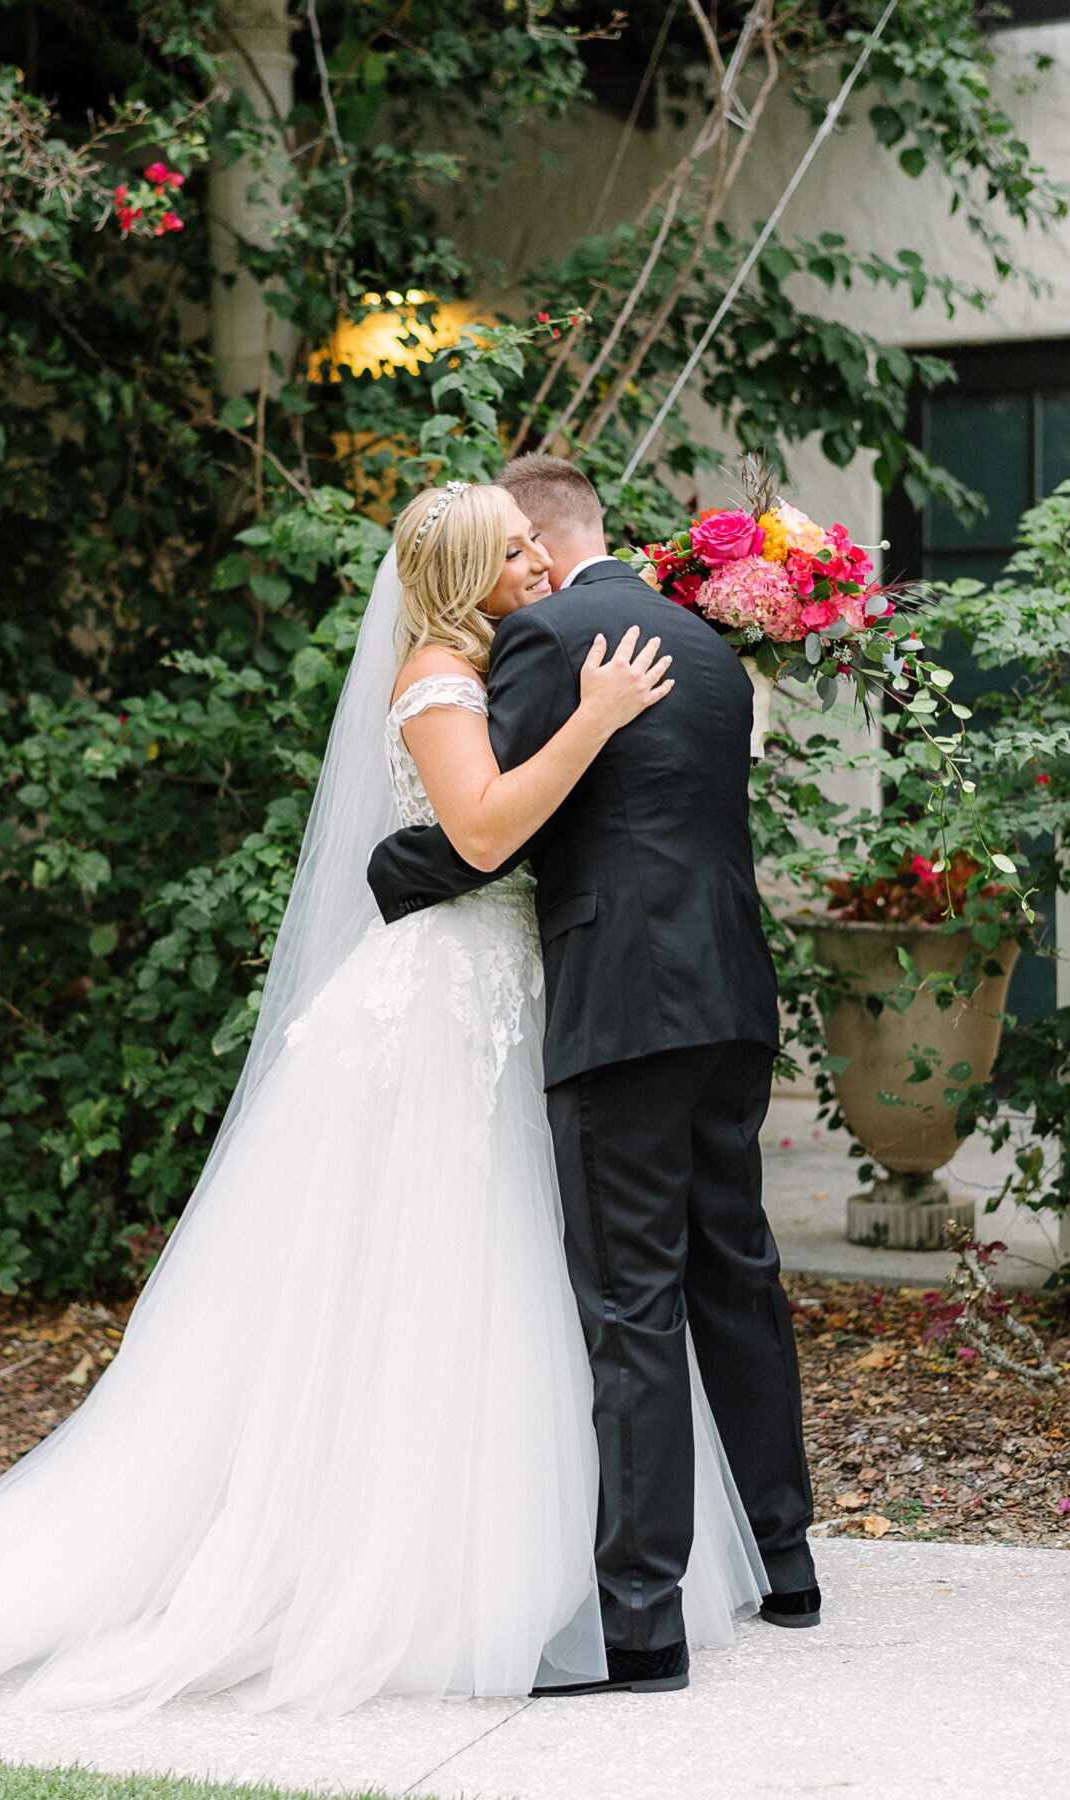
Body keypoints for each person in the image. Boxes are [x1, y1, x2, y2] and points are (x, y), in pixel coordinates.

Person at [0, 480, 764, 1716]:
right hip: (440, 1001)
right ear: (465, 570)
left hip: (516, 990)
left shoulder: (498, 665)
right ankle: (407, 1580)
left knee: (518, 1277)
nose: (544, 562)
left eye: (540, 544)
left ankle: (528, 1566)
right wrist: (593, 721)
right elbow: (482, 835)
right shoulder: (436, 675)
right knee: (440, 1272)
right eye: (518, 549)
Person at [368, 454, 819, 1700]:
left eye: (525, 546)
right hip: (731, 993)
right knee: (737, 1271)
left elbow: (494, 829)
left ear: (544, 546)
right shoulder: (716, 647)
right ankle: (787, 1564)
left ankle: (640, 1624)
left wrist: (390, 880)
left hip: (621, 999)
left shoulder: (549, 639)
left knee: (630, 1303)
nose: (523, 568)